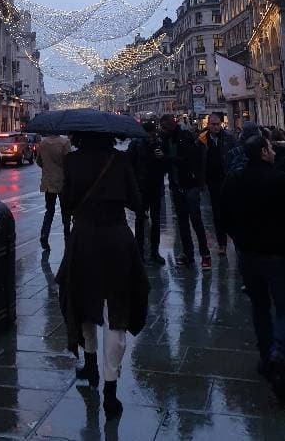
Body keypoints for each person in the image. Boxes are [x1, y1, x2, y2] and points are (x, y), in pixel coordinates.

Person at [57, 131, 149, 421]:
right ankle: (111, 389)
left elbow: (66, 203)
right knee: (117, 310)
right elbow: (137, 202)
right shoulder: (120, 160)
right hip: (117, 239)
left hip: (83, 239)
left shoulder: (72, 161)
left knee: (84, 304)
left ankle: (90, 365)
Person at [221, 132, 285, 400]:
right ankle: (278, 355)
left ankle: (265, 355)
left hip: (249, 255)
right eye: (269, 148)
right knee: (282, 307)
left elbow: (224, 215)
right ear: (263, 152)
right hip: (277, 255)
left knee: (259, 307)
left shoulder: (235, 179)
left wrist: (239, 239)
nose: (272, 151)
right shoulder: (279, 179)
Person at [159, 113, 211, 270]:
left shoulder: (185, 136)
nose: (163, 128)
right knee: (182, 222)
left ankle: (205, 255)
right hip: (176, 184)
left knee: (195, 219)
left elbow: (187, 159)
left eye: (165, 125)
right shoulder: (165, 139)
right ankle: (188, 254)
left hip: (190, 183)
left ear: (172, 124)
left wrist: (166, 158)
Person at [197, 113, 236, 255]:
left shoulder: (229, 138)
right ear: (208, 125)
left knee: (231, 211)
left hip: (228, 179)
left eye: (218, 124)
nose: (216, 127)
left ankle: (235, 239)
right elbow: (199, 160)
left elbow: (235, 156)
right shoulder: (202, 140)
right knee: (217, 213)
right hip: (212, 181)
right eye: (213, 124)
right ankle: (222, 243)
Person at [128, 119, 166, 264]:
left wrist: (161, 158)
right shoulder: (136, 145)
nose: (151, 136)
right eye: (149, 133)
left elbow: (165, 165)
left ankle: (154, 252)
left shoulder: (159, 144)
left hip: (155, 187)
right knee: (140, 221)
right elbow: (130, 166)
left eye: (153, 133)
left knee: (156, 221)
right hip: (142, 188)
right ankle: (140, 252)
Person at [36, 133, 72, 251]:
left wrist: (48, 169)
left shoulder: (43, 143)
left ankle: (44, 234)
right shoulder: (64, 143)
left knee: (49, 210)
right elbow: (69, 162)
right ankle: (67, 237)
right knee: (65, 211)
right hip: (62, 182)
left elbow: (39, 161)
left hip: (48, 182)